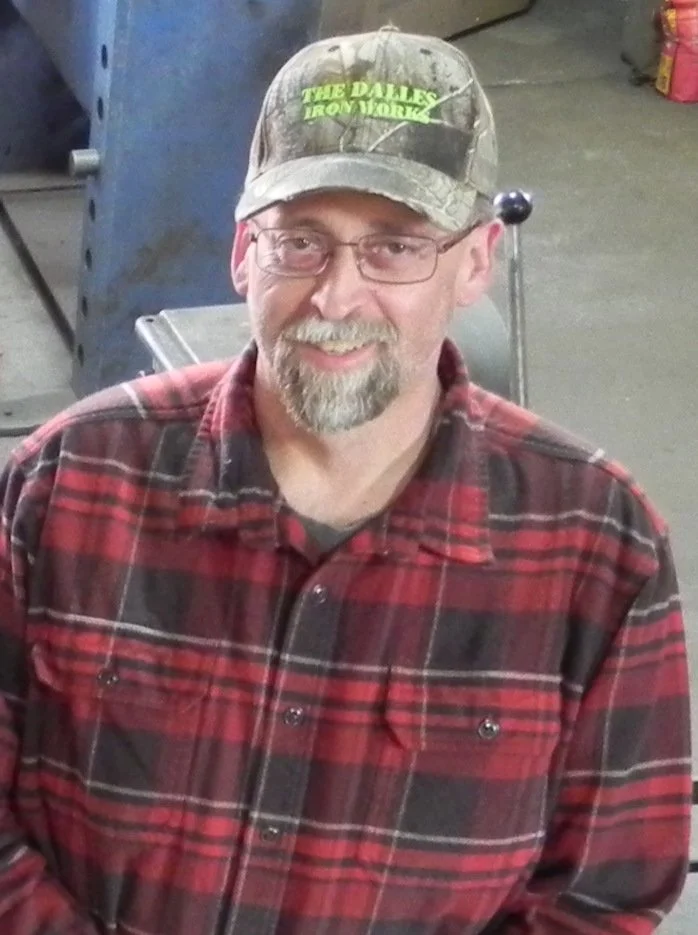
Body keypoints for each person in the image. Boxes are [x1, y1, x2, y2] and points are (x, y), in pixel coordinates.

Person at [0, 25, 691, 935]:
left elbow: (604, 893)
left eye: (395, 247)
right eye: (301, 242)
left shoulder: (597, 547)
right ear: (243, 252)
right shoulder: (70, 482)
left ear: (475, 260)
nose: (335, 297)